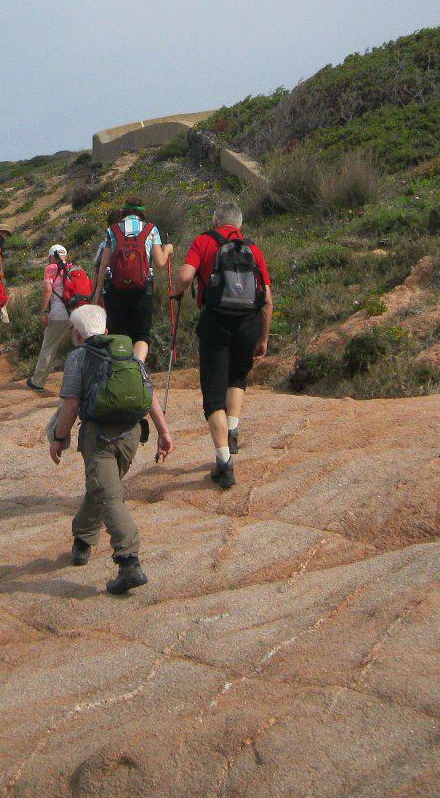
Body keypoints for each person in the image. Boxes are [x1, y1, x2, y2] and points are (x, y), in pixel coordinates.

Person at [46, 303, 173, 596]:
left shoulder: (78, 357)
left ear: (76, 334)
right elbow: (149, 393)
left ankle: (129, 561)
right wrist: (164, 431)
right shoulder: (126, 351)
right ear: (105, 329)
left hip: (99, 437)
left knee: (109, 495)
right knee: (103, 489)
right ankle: (83, 539)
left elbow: (72, 404)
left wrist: (58, 436)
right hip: (130, 435)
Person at [170, 201, 273, 490]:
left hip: (215, 322)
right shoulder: (253, 250)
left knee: (213, 396)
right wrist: (263, 337)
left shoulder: (204, 241)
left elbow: (185, 276)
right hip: (248, 323)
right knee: (237, 378)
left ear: (216, 222)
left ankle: (224, 463)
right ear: (239, 225)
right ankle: (232, 429)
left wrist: (175, 291)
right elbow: (267, 299)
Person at [92, 198, 172, 363]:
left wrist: (97, 292)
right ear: (142, 213)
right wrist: (168, 249)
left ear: (123, 212)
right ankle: (137, 370)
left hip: (115, 289)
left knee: (118, 334)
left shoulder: (113, 230)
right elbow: (160, 262)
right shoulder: (151, 229)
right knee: (141, 335)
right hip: (143, 290)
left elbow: (104, 263)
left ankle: (121, 372)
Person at [27, 244, 81, 393]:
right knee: (81, 347)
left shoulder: (51, 268)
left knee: (49, 347)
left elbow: (48, 289)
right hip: (78, 313)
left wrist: (44, 311)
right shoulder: (74, 267)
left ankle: (37, 382)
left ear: (51, 256)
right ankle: (86, 381)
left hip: (59, 314)